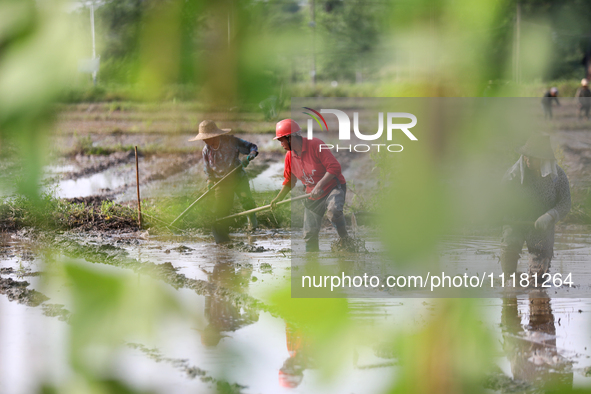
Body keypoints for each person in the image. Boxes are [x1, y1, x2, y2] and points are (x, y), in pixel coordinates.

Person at [500, 133, 571, 283]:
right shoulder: (514, 175)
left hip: (541, 229)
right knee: (509, 254)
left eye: (533, 156)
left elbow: (565, 203)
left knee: (538, 282)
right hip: (516, 222)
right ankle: (509, 294)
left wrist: (550, 216)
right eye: (526, 155)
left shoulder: (557, 177)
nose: (528, 159)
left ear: (544, 158)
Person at [270, 119, 349, 252]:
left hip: (332, 187)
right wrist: (279, 199)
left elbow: (334, 167)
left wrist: (319, 185)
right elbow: (289, 181)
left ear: (291, 137)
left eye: (282, 140)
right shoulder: (289, 156)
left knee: (334, 211)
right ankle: (312, 262)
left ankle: (346, 241)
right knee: (309, 234)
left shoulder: (315, 145)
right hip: (312, 194)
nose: (281, 144)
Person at [188, 120, 258, 243]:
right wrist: (210, 180)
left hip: (237, 177)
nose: (204, 141)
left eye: (206, 138)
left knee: (247, 202)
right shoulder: (206, 150)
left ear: (214, 135)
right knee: (221, 210)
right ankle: (222, 239)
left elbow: (252, 147)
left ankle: (253, 227)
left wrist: (249, 157)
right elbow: (207, 169)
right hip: (221, 183)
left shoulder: (231, 142)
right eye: (203, 138)